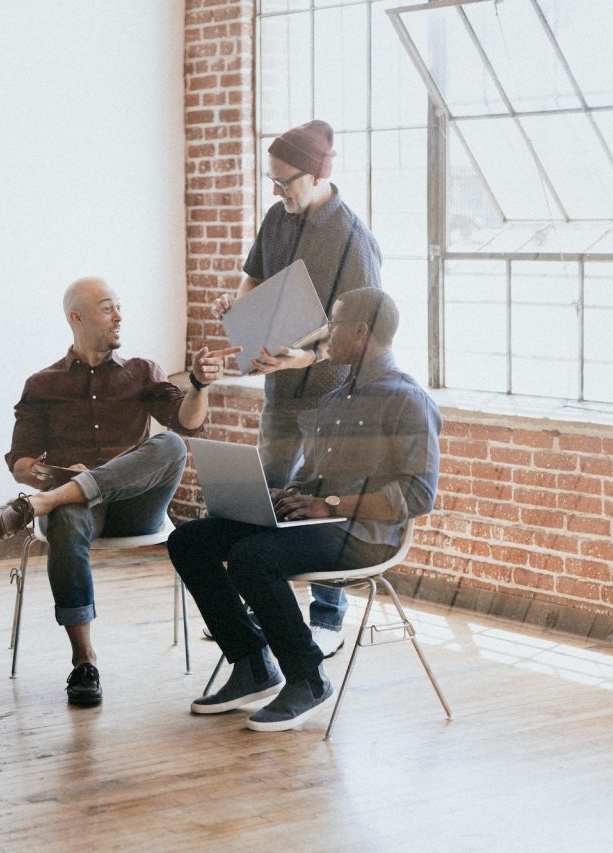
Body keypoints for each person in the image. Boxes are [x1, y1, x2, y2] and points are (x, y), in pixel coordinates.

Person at [169, 289, 439, 732]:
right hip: (319, 521)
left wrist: (329, 504)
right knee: (190, 541)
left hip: (365, 536)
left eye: (334, 324)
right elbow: (313, 475)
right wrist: (284, 495)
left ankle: (308, 679)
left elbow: (417, 495)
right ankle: (252, 664)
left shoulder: (406, 399)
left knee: (253, 557)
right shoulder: (335, 398)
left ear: (360, 331)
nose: (326, 333)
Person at [0, 276, 238, 707]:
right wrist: (52, 475)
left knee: (171, 444)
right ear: (77, 317)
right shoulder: (42, 385)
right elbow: (21, 464)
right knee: (68, 514)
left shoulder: (141, 371)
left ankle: (46, 503)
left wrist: (198, 385)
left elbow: (188, 423)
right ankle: (84, 660)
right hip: (78, 511)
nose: (119, 317)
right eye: (107, 308)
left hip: (136, 507)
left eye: (119, 307)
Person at [212, 120, 383, 658]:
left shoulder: (355, 240)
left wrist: (305, 356)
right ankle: (257, 604)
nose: (277, 191)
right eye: (272, 180)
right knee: (262, 497)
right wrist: (238, 307)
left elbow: (361, 331)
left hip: (331, 395)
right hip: (280, 395)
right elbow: (255, 277)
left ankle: (328, 618)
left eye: (285, 181)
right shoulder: (277, 217)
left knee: (319, 502)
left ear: (316, 175)